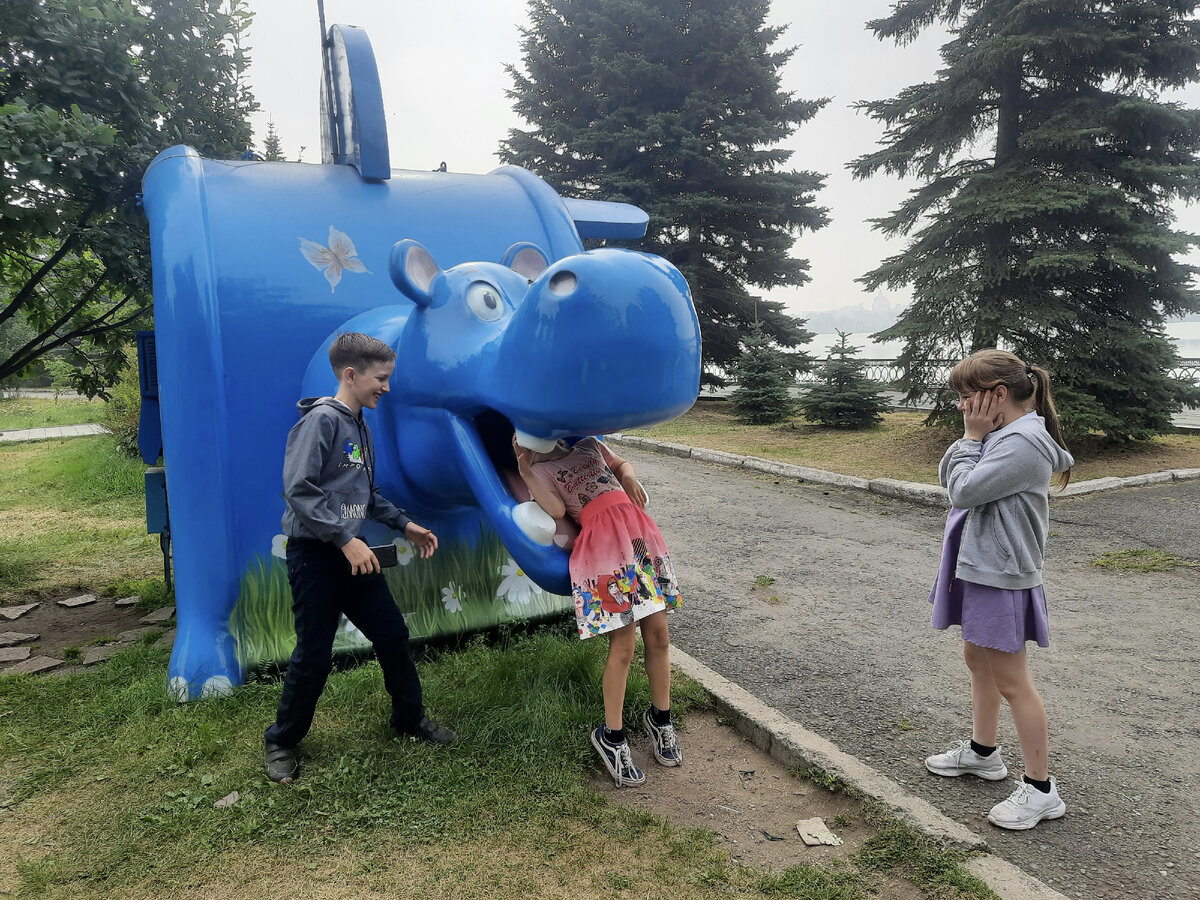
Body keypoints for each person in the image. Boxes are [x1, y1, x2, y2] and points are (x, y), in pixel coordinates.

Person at [264, 332, 456, 784]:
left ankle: (409, 718)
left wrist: (404, 524)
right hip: (316, 554)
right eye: (381, 378)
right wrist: (343, 539)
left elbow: (364, 495)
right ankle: (282, 740)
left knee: (392, 634)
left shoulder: (360, 425)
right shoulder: (322, 421)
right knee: (314, 652)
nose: (386, 387)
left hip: (355, 553)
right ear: (351, 375)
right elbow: (299, 488)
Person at [924, 348, 1074, 830]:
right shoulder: (1004, 434)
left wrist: (970, 437)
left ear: (997, 396)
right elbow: (953, 477)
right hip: (981, 567)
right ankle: (984, 753)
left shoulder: (1023, 442)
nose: (962, 407)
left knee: (1012, 680)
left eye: (967, 398)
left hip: (1000, 574)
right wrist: (971, 439)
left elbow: (963, 491)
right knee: (978, 660)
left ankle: (1041, 790)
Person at [514, 435, 683, 787]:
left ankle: (661, 718)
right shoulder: (542, 470)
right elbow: (557, 511)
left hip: (638, 535)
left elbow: (621, 465)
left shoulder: (590, 444)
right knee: (623, 646)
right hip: (605, 550)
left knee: (660, 636)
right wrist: (526, 470)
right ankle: (612, 736)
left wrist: (631, 479)